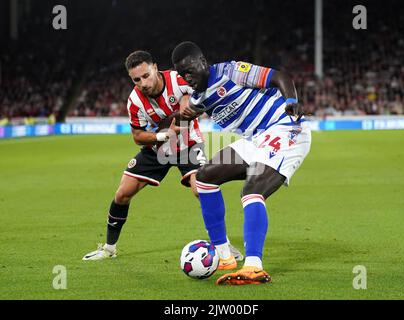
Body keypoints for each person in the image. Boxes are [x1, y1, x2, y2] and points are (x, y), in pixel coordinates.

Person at [172, 41, 312, 285]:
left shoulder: (231, 71)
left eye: (190, 70)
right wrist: (175, 120)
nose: (187, 77)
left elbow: (280, 76)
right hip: (256, 139)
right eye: (182, 74)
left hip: (286, 128)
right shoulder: (199, 98)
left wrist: (291, 101)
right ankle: (224, 256)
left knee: (252, 189)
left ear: (203, 62)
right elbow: (185, 116)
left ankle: (254, 267)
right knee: (204, 178)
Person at [83, 50, 243, 262]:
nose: (143, 83)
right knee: (122, 194)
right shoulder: (135, 101)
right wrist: (164, 135)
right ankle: (109, 248)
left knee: (201, 189)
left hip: (189, 145)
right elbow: (138, 136)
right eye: (136, 80)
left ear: (155, 68)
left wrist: (188, 102)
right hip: (157, 150)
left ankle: (224, 245)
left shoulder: (178, 79)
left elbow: (198, 91)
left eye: (146, 75)